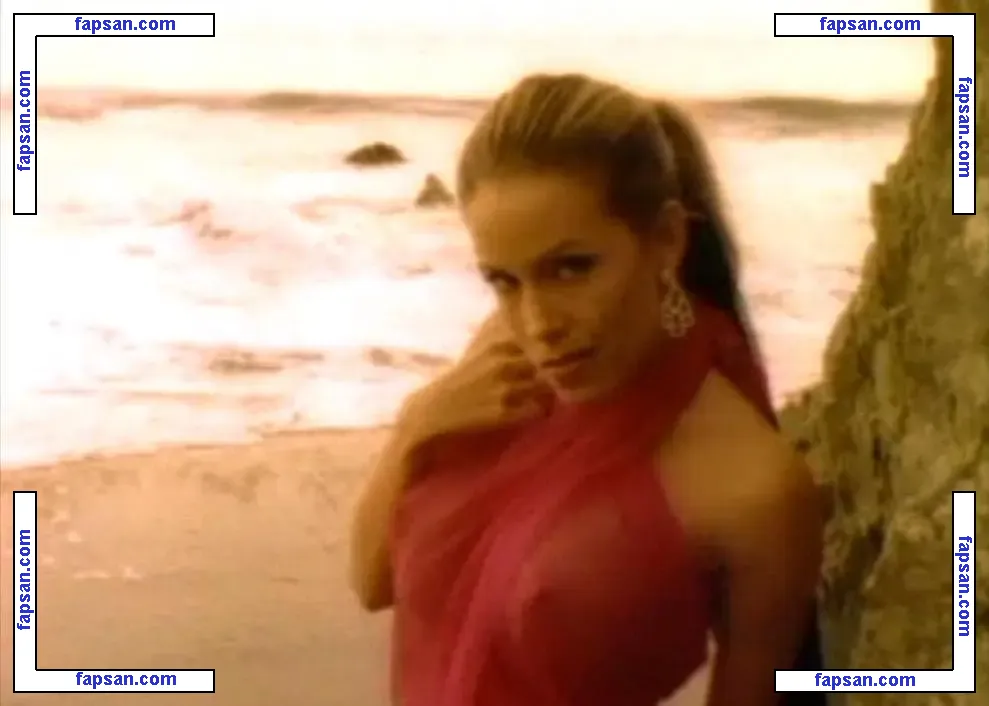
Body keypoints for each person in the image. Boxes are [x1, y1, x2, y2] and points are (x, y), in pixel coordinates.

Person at [348, 72, 826, 706]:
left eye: (571, 268)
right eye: (504, 281)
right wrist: (418, 422)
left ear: (666, 240)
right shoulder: (503, 358)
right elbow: (373, 582)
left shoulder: (756, 491)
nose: (538, 324)